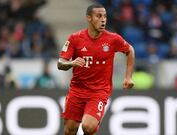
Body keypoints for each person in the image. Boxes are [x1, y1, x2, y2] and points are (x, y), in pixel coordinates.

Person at [57, 4, 135, 135]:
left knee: (88, 126)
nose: (103, 19)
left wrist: (128, 76)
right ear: (89, 18)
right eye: (98, 16)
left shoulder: (113, 39)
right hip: (77, 90)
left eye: (104, 16)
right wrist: (72, 63)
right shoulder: (75, 39)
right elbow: (60, 63)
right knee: (70, 130)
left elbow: (130, 50)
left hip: (99, 91)